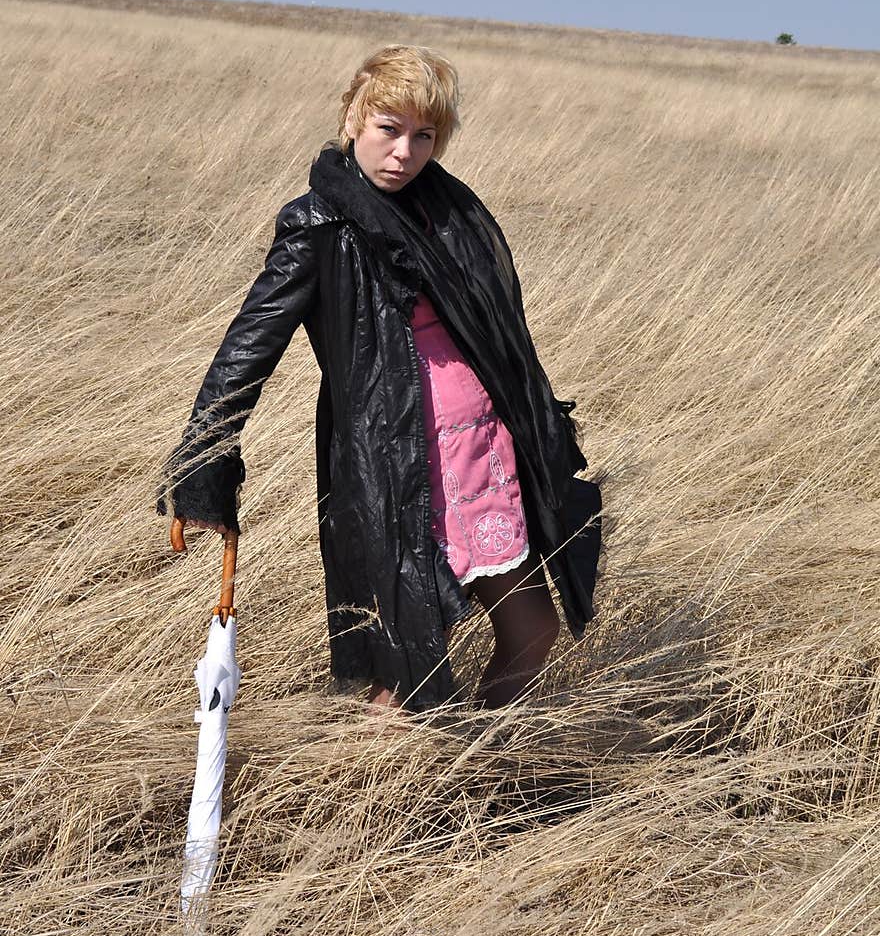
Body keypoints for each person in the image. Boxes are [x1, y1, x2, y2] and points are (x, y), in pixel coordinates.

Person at [157, 46, 600, 717]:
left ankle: (483, 777)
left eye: (424, 136)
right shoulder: (318, 225)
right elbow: (247, 347)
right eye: (389, 129)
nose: (405, 152)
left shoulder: (448, 213)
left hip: (482, 454)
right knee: (410, 669)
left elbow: (499, 333)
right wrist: (204, 462)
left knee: (532, 631)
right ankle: (372, 804)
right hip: (401, 469)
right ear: (354, 120)